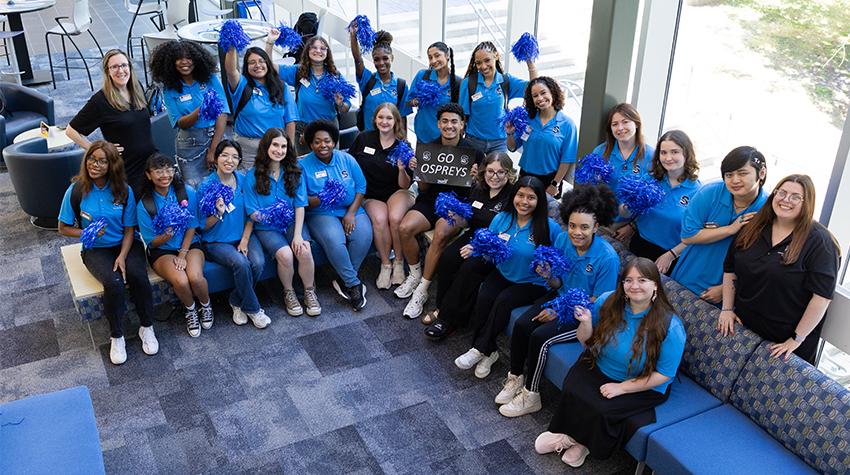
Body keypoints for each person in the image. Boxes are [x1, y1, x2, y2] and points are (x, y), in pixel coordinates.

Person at [536, 258, 686, 467]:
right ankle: (572, 436)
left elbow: (664, 375)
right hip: (600, 363)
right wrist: (586, 322)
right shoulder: (608, 301)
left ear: (655, 286)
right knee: (573, 386)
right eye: (629, 280)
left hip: (641, 382)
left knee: (602, 407)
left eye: (642, 280)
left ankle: (580, 442)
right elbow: (586, 342)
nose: (634, 286)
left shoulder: (671, 326)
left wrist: (622, 388)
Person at [498, 185, 620, 418]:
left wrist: (558, 310)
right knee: (524, 324)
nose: (577, 232)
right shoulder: (563, 240)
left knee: (540, 338)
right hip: (560, 297)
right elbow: (557, 284)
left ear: (596, 227)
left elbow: (600, 301)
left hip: (585, 314)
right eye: (573, 225)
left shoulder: (607, 258)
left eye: (584, 227)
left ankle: (531, 395)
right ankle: (515, 377)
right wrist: (549, 276)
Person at [720, 174, 840, 364]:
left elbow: (821, 297)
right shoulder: (755, 225)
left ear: (807, 203)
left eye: (795, 197)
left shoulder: (820, 242)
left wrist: (796, 340)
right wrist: (726, 309)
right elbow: (730, 269)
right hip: (744, 326)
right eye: (782, 192)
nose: (786, 200)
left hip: (784, 343)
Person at [58, 141, 157, 365]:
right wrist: (86, 233)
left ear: (112, 165)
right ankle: (117, 335)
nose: (95, 164)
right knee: (113, 283)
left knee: (138, 275)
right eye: (92, 159)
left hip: (125, 243)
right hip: (96, 249)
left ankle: (147, 326)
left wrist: (122, 256)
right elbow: (63, 228)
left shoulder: (124, 190)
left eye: (102, 161)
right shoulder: (75, 190)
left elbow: (130, 229)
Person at [453, 176, 561, 379]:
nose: (524, 202)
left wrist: (548, 273)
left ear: (539, 202)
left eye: (531, 197)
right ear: (514, 196)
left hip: (533, 282)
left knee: (504, 300)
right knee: (484, 296)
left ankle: (479, 349)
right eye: (520, 195)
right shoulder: (502, 218)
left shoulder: (550, 228)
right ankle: (489, 351)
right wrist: (476, 247)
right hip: (504, 272)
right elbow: (489, 247)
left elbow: (557, 266)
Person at [394, 103, 484, 307]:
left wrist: (477, 179)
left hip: (458, 205)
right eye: (445, 121)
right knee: (405, 227)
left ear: (462, 125)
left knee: (442, 232)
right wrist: (418, 171)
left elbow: (480, 193)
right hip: (430, 200)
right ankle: (415, 274)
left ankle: (423, 289)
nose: (449, 125)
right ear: (438, 124)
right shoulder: (428, 148)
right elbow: (424, 189)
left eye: (454, 121)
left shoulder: (475, 153)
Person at [420, 152, 515, 332]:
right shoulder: (479, 188)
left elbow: (508, 232)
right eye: (490, 171)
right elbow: (470, 220)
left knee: (469, 267)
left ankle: (448, 320)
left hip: (496, 245)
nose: (494, 177)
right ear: (483, 171)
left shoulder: (512, 196)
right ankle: (441, 307)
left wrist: (479, 248)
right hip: (473, 235)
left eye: (500, 172)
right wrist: (457, 218)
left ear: (508, 173)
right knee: (448, 257)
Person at [670, 146, 768, 303]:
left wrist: (724, 289)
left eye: (742, 173)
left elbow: (761, 263)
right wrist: (730, 229)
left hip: (725, 293)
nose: (735, 180)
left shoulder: (768, 210)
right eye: (729, 175)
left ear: (761, 173)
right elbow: (688, 236)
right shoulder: (709, 193)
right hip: (687, 277)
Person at [244, 128, 322, 317]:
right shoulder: (252, 175)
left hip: (292, 223)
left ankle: (310, 292)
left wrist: (296, 235)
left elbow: (300, 205)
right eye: (275, 145)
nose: (279, 150)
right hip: (267, 227)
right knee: (286, 255)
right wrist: (273, 216)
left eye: (284, 146)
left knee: (303, 249)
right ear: (266, 147)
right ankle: (289, 292)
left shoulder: (295, 171)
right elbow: (253, 212)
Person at [137, 153, 212, 337]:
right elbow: (151, 241)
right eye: (158, 171)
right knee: (180, 279)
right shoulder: (145, 204)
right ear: (148, 175)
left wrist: (182, 254)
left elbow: (192, 225)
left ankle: (206, 305)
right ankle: (191, 310)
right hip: (162, 250)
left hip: (190, 243)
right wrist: (166, 234)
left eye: (168, 169)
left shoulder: (187, 193)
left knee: (195, 277)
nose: (165, 174)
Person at [300, 120, 372, 311]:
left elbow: (361, 187)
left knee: (363, 234)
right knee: (335, 239)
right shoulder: (303, 165)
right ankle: (353, 284)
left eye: (327, 141)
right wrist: (322, 197)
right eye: (317, 142)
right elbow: (301, 201)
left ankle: (343, 279)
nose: (323, 145)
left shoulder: (346, 159)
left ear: (334, 142)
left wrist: (351, 213)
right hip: (321, 213)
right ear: (310, 144)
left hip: (351, 209)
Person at [198, 140, 271, 329]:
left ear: (239, 160)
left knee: (258, 262)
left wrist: (245, 240)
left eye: (235, 157)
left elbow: (251, 212)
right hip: (216, 241)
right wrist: (218, 213)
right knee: (240, 262)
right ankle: (254, 309)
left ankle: (236, 301)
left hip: (244, 235)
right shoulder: (206, 186)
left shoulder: (243, 179)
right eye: (224, 155)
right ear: (216, 158)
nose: (229, 160)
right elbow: (203, 226)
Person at [66, 49, 156, 193]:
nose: (120, 70)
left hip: (151, 160)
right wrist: (98, 149)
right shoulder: (100, 101)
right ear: (107, 71)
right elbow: (71, 131)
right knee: (136, 209)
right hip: (128, 168)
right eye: (114, 67)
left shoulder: (136, 87)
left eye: (124, 65)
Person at [348, 103, 414, 290]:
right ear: (375, 119)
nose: (384, 122)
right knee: (379, 219)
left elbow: (405, 184)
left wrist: (402, 169)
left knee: (394, 218)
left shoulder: (404, 145)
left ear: (396, 121)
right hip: (371, 193)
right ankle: (386, 264)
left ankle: (399, 262)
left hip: (397, 191)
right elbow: (350, 165)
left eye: (389, 118)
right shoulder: (363, 139)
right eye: (381, 117)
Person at [150, 40, 229, 187]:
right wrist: (201, 109)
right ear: (171, 63)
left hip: (216, 138)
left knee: (221, 184)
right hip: (188, 146)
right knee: (194, 188)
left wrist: (213, 149)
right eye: (179, 59)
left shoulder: (210, 79)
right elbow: (180, 123)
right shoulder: (169, 89)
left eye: (189, 58)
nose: (184, 62)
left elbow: (223, 113)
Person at [628, 130, 701, 275]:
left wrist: (671, 255)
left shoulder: (698, 192)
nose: (668, 158)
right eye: (663, 152)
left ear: (686, 154)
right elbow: (632, 212)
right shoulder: (649, 179)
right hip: (639, 244)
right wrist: (626, 209)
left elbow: (697, 235)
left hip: (669, 257)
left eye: (674, 152)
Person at [268, 34, 352, 155]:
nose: (318, 51)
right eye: (314, 47)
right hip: (303, 130)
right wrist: (270, 43)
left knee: (330, 165)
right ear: (308, 50)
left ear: (327, 53)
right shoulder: (298, 71)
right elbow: (270, 67)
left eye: (323, 48)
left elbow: (346, 107)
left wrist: (340, 104)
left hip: (328, 129)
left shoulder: (335, 76)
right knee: (304, 166)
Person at [587, 103, 655, 239]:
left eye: (625, 122)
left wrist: (632, 226)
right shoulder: (600, 152)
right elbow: (590, 190)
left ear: (636, 123)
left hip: (629, 228)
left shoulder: (651, 156)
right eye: (615, 124)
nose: (620, 128)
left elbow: (652, 200)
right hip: (600, 222)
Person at [224, 45, 298, 168]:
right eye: (252, 62)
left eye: (261, 61)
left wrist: (289, 149)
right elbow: (231, 71)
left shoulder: (282, 87)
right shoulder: (242, 85)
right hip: (249, 151)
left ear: (268, 63)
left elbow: (290, 121)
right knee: (251, 185)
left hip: (276, 147)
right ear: (246, 67)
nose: (257, 65)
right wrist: (231, 45)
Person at [459, 41, 537, 154]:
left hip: (499, 143)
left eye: (487, 60)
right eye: (478, 63)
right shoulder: (468, 83)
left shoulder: (506, 81)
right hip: (473, 142)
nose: (483, 66)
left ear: (496, 55)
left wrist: (529, 61)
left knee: (497, 171)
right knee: (474, 172)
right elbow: (462, 117)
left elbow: (534, 88)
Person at [507, 76, 578, 197]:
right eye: (535, 96)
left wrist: (555, 184)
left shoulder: (567, 124)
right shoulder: (527, 119)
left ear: (553, 93)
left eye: (543, 93)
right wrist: (509, 133)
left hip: (550, 180)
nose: (540, 98)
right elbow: (512, 148)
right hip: (525, 176)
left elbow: (566, 159)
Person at [348, 28, 412, 132]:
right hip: (369, 140)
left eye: (385, 58)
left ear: (392, 58)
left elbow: (402, 117)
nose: (381, 63)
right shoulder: (367, 80)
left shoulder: (401, 85)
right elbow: (357, 58)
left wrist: (403, 143)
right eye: (377, 59)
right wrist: (353, 35)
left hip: (391, 140)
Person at [408, 41, 461, 143]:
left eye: (437, 56)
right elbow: (408, 101)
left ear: (447, 55)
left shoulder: (458, 82)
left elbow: (461, 113)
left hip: (446, 138)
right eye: (430, 57)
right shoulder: (422, 76)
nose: (433, 60)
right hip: (423, 137)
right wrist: (418, 101)